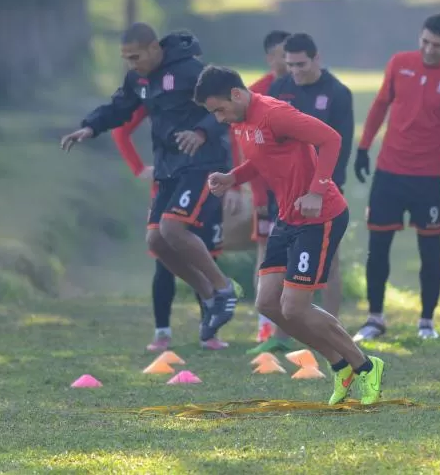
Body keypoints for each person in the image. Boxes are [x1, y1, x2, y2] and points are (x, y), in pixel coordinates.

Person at [196, 65, 385, 406]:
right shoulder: (241, 121)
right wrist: (232, 178)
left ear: (236, 95)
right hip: (287, 216)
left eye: (219, 109)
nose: (219, 118)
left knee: (295, 306)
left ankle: (366, 366)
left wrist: (316, 190)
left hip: (320, 215)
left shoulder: (274, 113)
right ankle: (340, 364)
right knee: (267, 302)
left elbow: (331, 139)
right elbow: (262, 158)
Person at [60, 23, 238, 343]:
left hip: (203, 164)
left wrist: (199, 133)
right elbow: (119, 108)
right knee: (156, 241)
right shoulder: (137, 79)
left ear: (155, 48)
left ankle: (224, 289)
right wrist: (89, 128)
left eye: (135, 56)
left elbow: (226, 109)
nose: (131, 63)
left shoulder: (191, 71)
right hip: (169, 168)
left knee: (173, 229)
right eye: (126, 58)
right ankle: (209, 295)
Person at [352, 11, 440, 342]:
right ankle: (375, 318)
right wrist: (363, 147)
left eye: (436, 45)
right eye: (425, 42)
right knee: (378, 248)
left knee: (430, 251)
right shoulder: (399, 63)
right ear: (419, 38)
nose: (429, 50)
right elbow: (379, 106)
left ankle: (426, 321)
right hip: (389, 172)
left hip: (428, 178)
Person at [247, 33, 354, 354]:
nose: (295, 71)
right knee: (281, 267)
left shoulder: (337, 93)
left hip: (324, 192)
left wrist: (319, 191)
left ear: (316, 58)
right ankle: (281, 337)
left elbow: (339, 145)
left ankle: (332, 331)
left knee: (329, 264)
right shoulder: (280, 88)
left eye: (301, 65)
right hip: (285, 193)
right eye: (289, 65)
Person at [111, 103, 240, 351]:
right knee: (163, 255)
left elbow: (231, 134)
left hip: (205, 184)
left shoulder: (206, 98)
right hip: (169, 187)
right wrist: (137, 167)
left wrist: (233, 184)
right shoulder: (156, 92)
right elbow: (120, 129)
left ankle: (209, 331)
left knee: (205, 255)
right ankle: (162, 333)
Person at [247, 30, 290, 344]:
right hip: (266, 187)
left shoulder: (298, 90)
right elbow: (246, 148)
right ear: (269, 57)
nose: (286, 60)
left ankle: (288, 325)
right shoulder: (256, 93)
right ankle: (264, 324)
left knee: (291, 253)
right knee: (265, 253)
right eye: (280, 53)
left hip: (293, 187)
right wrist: (257, 193)